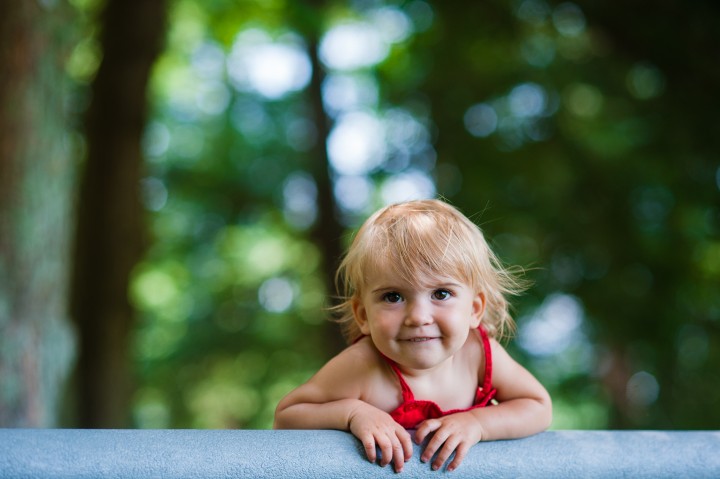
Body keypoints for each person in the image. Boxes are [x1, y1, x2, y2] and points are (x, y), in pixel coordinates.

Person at [274, 199, 552, 472]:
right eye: (393, 296)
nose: (418, 316)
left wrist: (478, 423)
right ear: (362, 315)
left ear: (474, 309)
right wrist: (352, 413)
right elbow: (287, 417)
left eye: (441, 294)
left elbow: (538, 407)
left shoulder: (476, 352)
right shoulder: (363, 365)